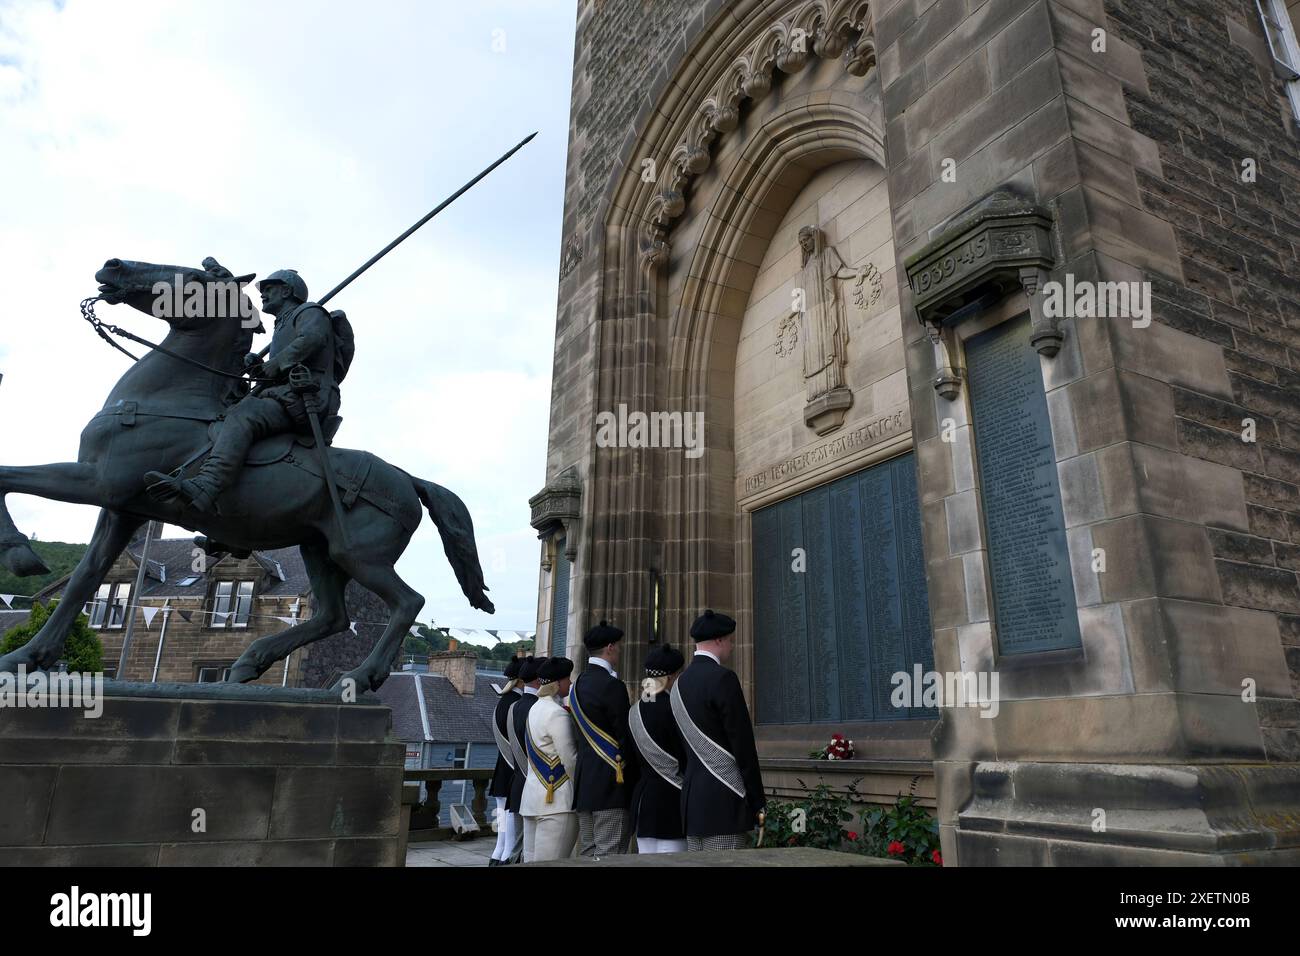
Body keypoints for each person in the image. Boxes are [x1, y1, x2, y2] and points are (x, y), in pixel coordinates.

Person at [145, 269, 348, 514]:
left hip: (308, 396)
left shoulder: (310, 311)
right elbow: (282, 365)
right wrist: (259, 368)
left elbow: (313, 339)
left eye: (269, 288)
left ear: (286, 290)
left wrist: (276, 363)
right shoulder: (282, 324)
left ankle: (207, 486)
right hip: (284, 395)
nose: (263, 294)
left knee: (243, 416)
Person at [671, 610, 765, 852]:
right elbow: (742, 744)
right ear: (720, 640)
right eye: (730, 640)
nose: (732, 646)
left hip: (692, 803)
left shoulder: (678, 684)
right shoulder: (723, 678)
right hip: (724, 799)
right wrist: (757, 802)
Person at [571, 620, 637, 857]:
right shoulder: (613, 686)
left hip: (585, 786)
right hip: (612, 785)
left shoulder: (575, 685)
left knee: (589, 853)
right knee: (610, 855)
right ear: (610, 647)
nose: (619, 651)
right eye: (618, 646)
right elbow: (625, 736)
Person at [628, 643, 687, 854]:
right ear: (671, 677)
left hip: (644, 802)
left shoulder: (634, 710)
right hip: (672, 800)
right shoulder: (674, 708)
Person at [520, 656, 579, 862]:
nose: (570, 683)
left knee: (530, 862)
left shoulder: (534, 708)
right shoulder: (557, 714)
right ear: (558, 683)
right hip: (557, 803)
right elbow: (570, 759)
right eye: (567, 679)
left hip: (531, 800)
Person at [506, 655, 546, 863]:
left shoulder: (515, 706)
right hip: (534, 783)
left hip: (518, 783)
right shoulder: (537, 708)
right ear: (540, 679)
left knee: (519, 848)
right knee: (530, 852)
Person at [488, 656, 524, 866]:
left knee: (502, 824)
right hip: (513, 765)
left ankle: (497, 858)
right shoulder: (515, 704)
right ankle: (505, 859)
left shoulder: (503, 702)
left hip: (503, 764)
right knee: (510, 821)